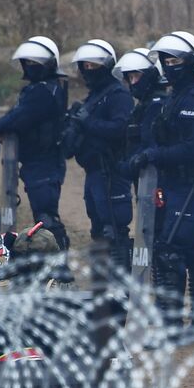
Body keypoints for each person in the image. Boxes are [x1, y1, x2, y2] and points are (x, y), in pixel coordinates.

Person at [123, 31, 194, 324]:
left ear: (189, 62)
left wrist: (154, 155)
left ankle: (173, 322)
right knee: (190, 250)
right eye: (165, 60)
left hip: (189, 182)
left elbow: (193, 149)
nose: (169, 65)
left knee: (170, 250)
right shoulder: (171, 97)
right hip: (169, 182)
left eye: (175, 59)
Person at [0, 36, 69, 250]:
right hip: (37, 160)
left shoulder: (44, 91)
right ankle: (51, 266)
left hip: (46, 160)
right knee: (42, 216)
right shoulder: (41, 89)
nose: (30, 67)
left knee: (46, 217)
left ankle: (60, 266)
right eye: (28, 62)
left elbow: (18, 118)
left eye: (36, 62)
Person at [64, 39, 134, 267]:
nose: (87, 71)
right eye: (84, 66)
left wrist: (88, 122)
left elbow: (120, 129)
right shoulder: (93, 96)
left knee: (114, 229)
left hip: (112, 171)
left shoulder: (117, 95)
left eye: (93, 66)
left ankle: (122, 289)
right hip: (93, 172)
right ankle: (104, 288)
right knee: (99, 230)